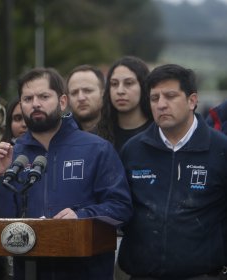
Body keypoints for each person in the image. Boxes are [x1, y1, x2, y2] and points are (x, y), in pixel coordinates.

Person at [0, 67, 132, 280]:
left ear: (62, 102)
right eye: (28, 98)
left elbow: (121, 207)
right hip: (30, 272)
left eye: (44, 96)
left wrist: (81, 216)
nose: (35, 103)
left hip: (87, 272)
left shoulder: (96, 149)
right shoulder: (12, 155)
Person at [118, 64, 227, 279]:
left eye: (170, 96)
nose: (161, 105)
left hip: (203, 274)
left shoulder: (221, 149)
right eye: (154, 98)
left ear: (192, 101)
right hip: (141, 274)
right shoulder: (133, 150)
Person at [98, 56, 153, 151]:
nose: (120, 91)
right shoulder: (98, 135)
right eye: (114, 84)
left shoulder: (158, 133)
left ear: (143, 86)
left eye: (128, 83)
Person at [66, 64, 105, 133]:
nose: (81, 98)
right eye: (74, 93)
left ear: (103, 93)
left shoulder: (120, 131)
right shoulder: (59, 134)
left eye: (87, 91)